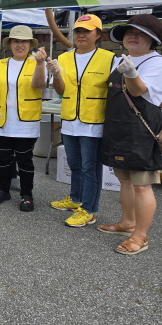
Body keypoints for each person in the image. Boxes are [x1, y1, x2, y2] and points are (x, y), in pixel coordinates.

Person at [97, 15, 162, 255]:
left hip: (141, 131)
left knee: (142, 185)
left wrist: (130, 72)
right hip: (118, 127)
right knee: (125, 180)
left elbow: (139, 90)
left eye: (140, 33)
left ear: (153, 40)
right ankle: (127, 222)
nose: (133, 36)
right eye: (129, 32)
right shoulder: (118, 59)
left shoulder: (156, 62)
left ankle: (140, 235)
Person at [47, 15, 118, 227]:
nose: (81, 35)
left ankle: (89, 209)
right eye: (78, 30)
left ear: (98, 34)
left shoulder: (109, 59)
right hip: (69, 119)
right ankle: (75, 198)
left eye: (87, 31)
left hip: (94, 121)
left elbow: (116, 91)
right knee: (74, 164)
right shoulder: (64, 58)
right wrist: (57, 75)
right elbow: (60, 91)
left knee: (90, 168)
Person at [0, 25, 47, 212]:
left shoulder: (37, 62)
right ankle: (3, 190)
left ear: (30, 44)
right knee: (4, 158)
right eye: (16, 41)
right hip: (3, 120)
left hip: (26, 122)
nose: (20, 45)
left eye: (24, 41)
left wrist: (41, 64)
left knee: (25, 160)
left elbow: (39, 85)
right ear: (10, 43)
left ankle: (27, 194)